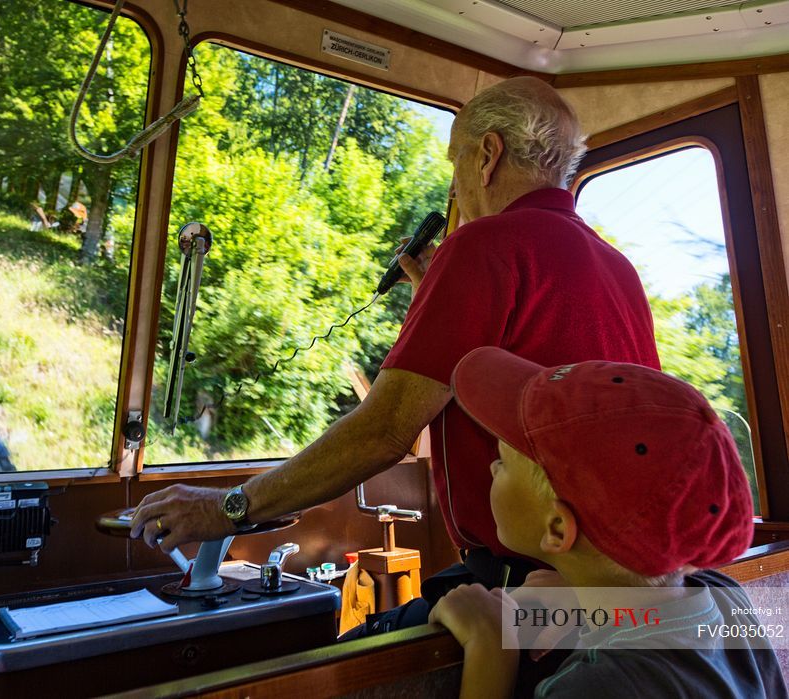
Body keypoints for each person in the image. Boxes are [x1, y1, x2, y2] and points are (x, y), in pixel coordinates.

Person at [130, 76, 660, 606]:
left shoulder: (480, 245)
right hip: (614, 587)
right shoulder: (620, 268)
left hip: (524, 588)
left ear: (488, 154)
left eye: (457, 163)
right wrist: (438, 304)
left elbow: (384, 432)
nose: (455, 188)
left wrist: (226, 507)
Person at [431, 346, 787, 698]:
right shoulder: (726, 600)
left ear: (557, 528)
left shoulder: (600, 686)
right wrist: (587, 596)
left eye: (504, 461)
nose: (492, 467)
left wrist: (489, 648)